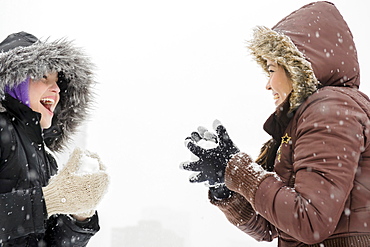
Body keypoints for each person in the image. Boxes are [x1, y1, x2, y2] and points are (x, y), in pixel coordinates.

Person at [181, 1, 370, 246]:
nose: (267, 84)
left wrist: (236, 168)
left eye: (271, 70)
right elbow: (274, 227)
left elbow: (310, 222)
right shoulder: (312, 115)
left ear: (297, 68)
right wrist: (225, 186)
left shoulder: (329, 109)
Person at [0, 31, 109, 246]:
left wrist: (80, 215)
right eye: (44, 76)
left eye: (58, 80)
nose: (57, 89)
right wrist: (48, 200)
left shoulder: (45, 157)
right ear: (16, 81)